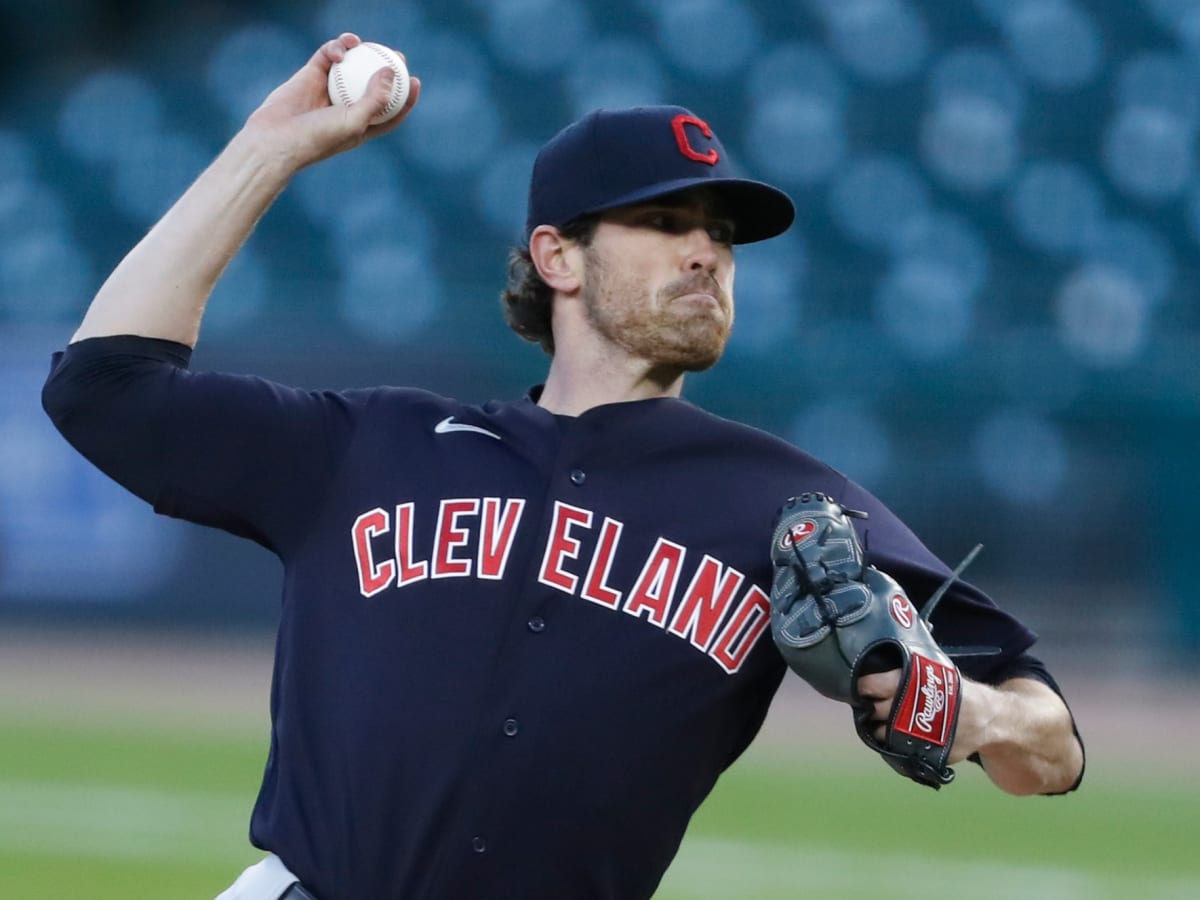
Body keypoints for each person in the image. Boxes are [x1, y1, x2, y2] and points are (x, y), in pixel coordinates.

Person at [42, 33, 1084, 900]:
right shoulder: (368, 446)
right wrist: (267, 152)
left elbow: (1054, 750)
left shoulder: (787, 505)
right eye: (666, 221)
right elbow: (104, 390)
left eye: (721, 235)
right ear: (558, 258)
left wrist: (967, 709)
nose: (707, 253)